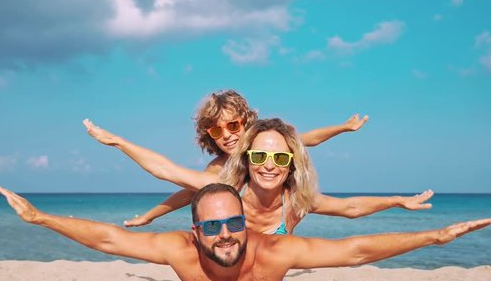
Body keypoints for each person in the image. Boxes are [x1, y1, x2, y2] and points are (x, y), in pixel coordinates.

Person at [0, 183, 491, 281]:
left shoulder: (274, 251)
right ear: (195, 231)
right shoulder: (179, 251)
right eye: (211, 227)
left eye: (234, 223)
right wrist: (42, 219)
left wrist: (435, 237)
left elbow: (355, 251)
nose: (226, 234)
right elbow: (107, 239)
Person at [83, 117, 433, 235]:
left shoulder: (294, 199)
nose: (269, 163)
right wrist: (116, 141)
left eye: (279, 157)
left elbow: (351, 208)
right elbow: (170, 176)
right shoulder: (225, 181)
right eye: (217, 130)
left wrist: (397, 200)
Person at [100, 90, 369, 227]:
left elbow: (307, 138)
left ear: (246, 123)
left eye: (233, 126)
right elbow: (183, 191)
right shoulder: (219, 168)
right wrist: (151, 215)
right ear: (209, 135)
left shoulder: (263, 144)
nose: (227, 135)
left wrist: (342, 128)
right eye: (217, 130)